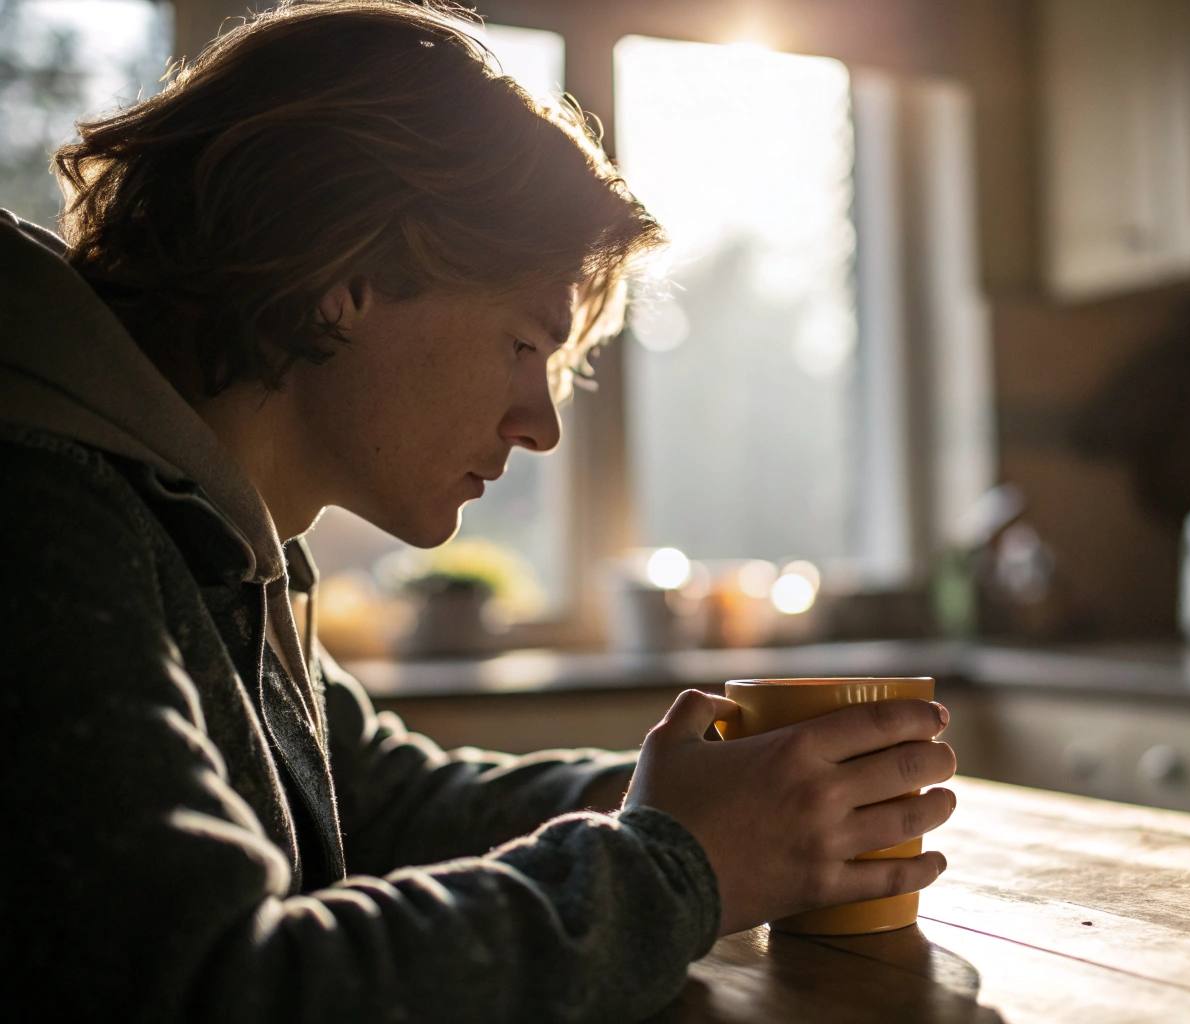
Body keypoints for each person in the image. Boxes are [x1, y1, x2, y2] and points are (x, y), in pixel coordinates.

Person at [0, 2, 957, 1020]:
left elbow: (375, 804)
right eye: (521, 344)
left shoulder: (200, 528)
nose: (540, 425)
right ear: (349, 272)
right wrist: (679, 863)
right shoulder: (39, 518)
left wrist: (718, 802)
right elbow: (217, 990)